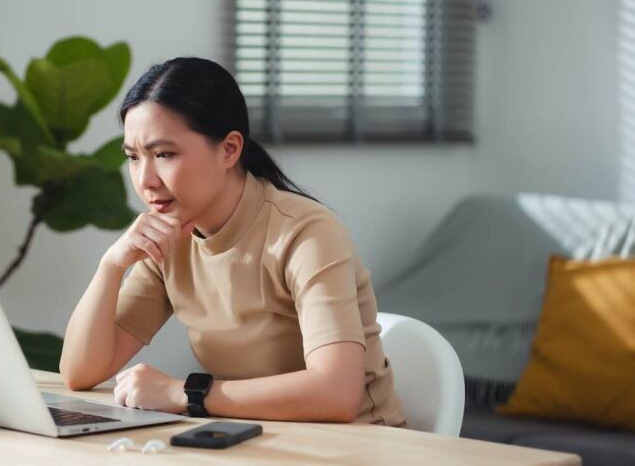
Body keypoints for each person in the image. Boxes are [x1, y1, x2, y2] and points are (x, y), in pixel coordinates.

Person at [59, 57, 406, 426]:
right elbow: (80, 373)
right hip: (260, 443)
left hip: (361, 447)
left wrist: (183, 393)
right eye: (133, 157)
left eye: (164, 154)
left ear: (229, 149)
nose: (146, 179)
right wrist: (112, 264)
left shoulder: (306, 233)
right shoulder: (169, 239)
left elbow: (337, 394)